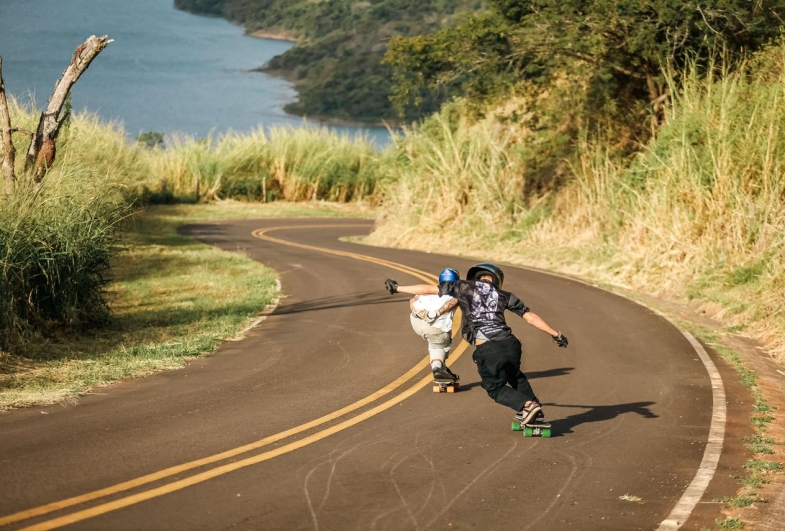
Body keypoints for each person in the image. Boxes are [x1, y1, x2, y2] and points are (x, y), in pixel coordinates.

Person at [385, 263, 568, 425]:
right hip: (511, 344)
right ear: (497, 279)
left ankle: (527, 406)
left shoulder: (464, 287)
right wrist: (555, 334)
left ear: (475, 277)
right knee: (515, 377)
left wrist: (398, 288)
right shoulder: (504, 295)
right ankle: (536, 411)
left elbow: (428, 289)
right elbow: (530, 317)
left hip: (489, 348)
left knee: (494, 388)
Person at [407, 268, 461, 382]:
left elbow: (412, 300)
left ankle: (442, 368)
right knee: (440, 343)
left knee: (434, 341)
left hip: (416, 321)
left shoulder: (430, 290)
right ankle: (438, 368)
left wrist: (416, 311)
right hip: (435, 326)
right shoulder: (457, 294)